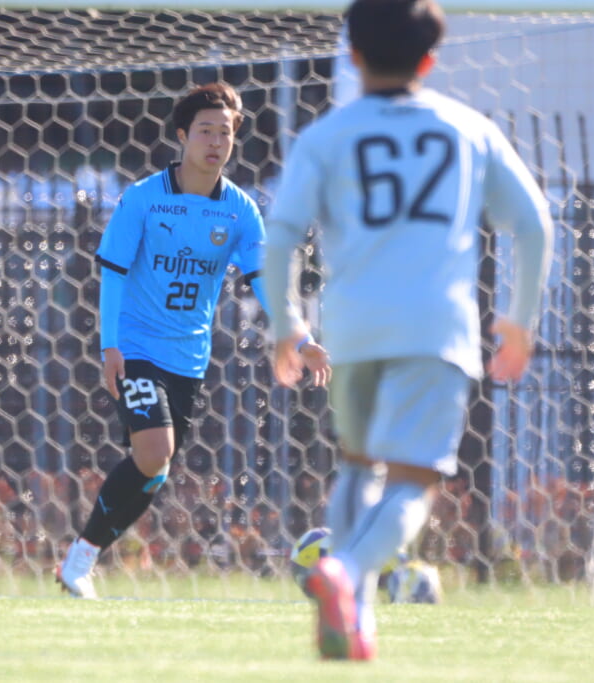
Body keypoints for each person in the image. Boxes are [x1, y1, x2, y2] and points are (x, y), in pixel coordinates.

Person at [261, 0, 552, 660]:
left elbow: (281, 235)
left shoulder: (327, 135)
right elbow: (533, 222)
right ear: (429, 60)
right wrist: (519, 318)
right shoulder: (466, 128)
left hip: (353, 327)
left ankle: (353, 618)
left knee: (357, 465)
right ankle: (346, 572)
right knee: (411, 481)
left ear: (353, 55)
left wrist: (287, 322)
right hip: (433, 328)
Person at [56, 82, 330, 599]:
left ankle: (82, 554)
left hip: (188, 358)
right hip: (137, 347)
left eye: (225, 132)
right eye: (205, 131)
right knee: (155, 450)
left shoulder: (240, 210)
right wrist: (110, 347)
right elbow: (113, 273)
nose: (216, 142)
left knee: (155, 469)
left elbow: (265, 282)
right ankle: (80, 561)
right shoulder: (143, 199)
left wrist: (300, 337)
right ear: (182, 136)